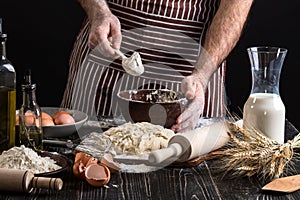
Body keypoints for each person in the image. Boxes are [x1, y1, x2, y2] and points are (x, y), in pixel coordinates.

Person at [61, 0, 254, 133]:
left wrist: (201, 76)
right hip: (104, 63)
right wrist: (99, 11)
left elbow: (235, 8)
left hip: (189, 75)